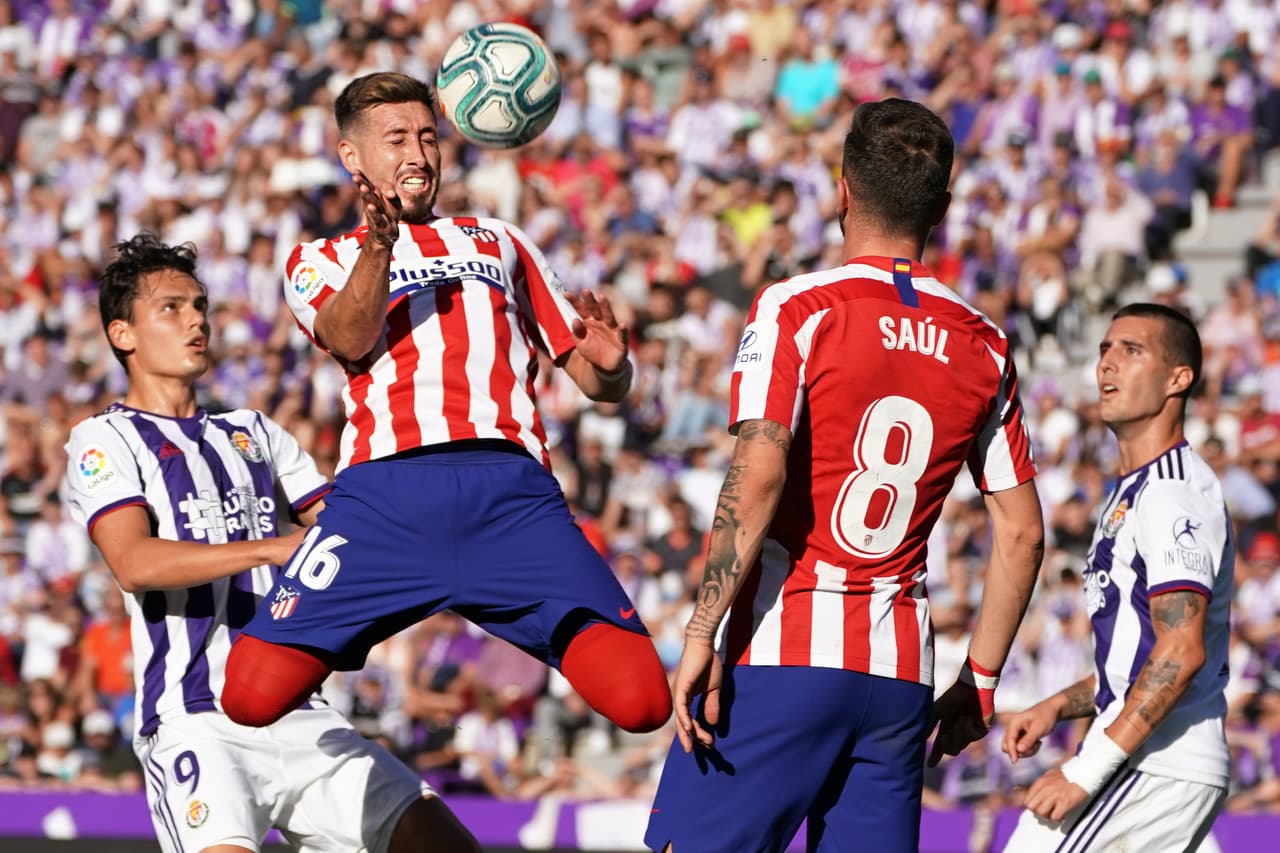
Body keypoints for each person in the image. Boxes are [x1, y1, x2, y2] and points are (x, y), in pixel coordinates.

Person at [644, 98, 1045, 853]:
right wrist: (981, 678)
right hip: (898, 674)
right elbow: (1021, 532)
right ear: (943, 208)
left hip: (786, 648)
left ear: (842, 190)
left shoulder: (799, 307)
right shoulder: (984, 342)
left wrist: (701, 628)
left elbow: (759, 474)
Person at [220, 72, 671, 739]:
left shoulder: (499, 240)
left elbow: (594, 381)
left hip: (510, 497)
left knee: (642, 701)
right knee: (249, 694)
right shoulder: (318, 258)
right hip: (383, 498)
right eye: (396, 137)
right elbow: (349, 336)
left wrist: (614, 366)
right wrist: (380, 245)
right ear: (352, 156)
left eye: (428, 137)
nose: (419, 154)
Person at [62, 234, 478, 853]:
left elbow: (345, 530)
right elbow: (133, 562)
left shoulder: (252, 431)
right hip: (196, 720)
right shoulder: (103, 441)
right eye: (171, 308)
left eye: (200, 305)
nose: (196, 320)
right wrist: (268, 548)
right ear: (123, 334)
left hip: (300, 713)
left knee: (441, 840)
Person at [1001, 303, 1232, 850]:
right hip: (1159, 760)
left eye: (1132, 351)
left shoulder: (1171, 492)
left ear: (1179, 378)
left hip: (1158, 761)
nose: (1108, 364)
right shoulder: (1131, 491)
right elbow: (1140, 654)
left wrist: (1086, 770)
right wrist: (1057, 705)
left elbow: (1179, 652)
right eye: (1105, 349)